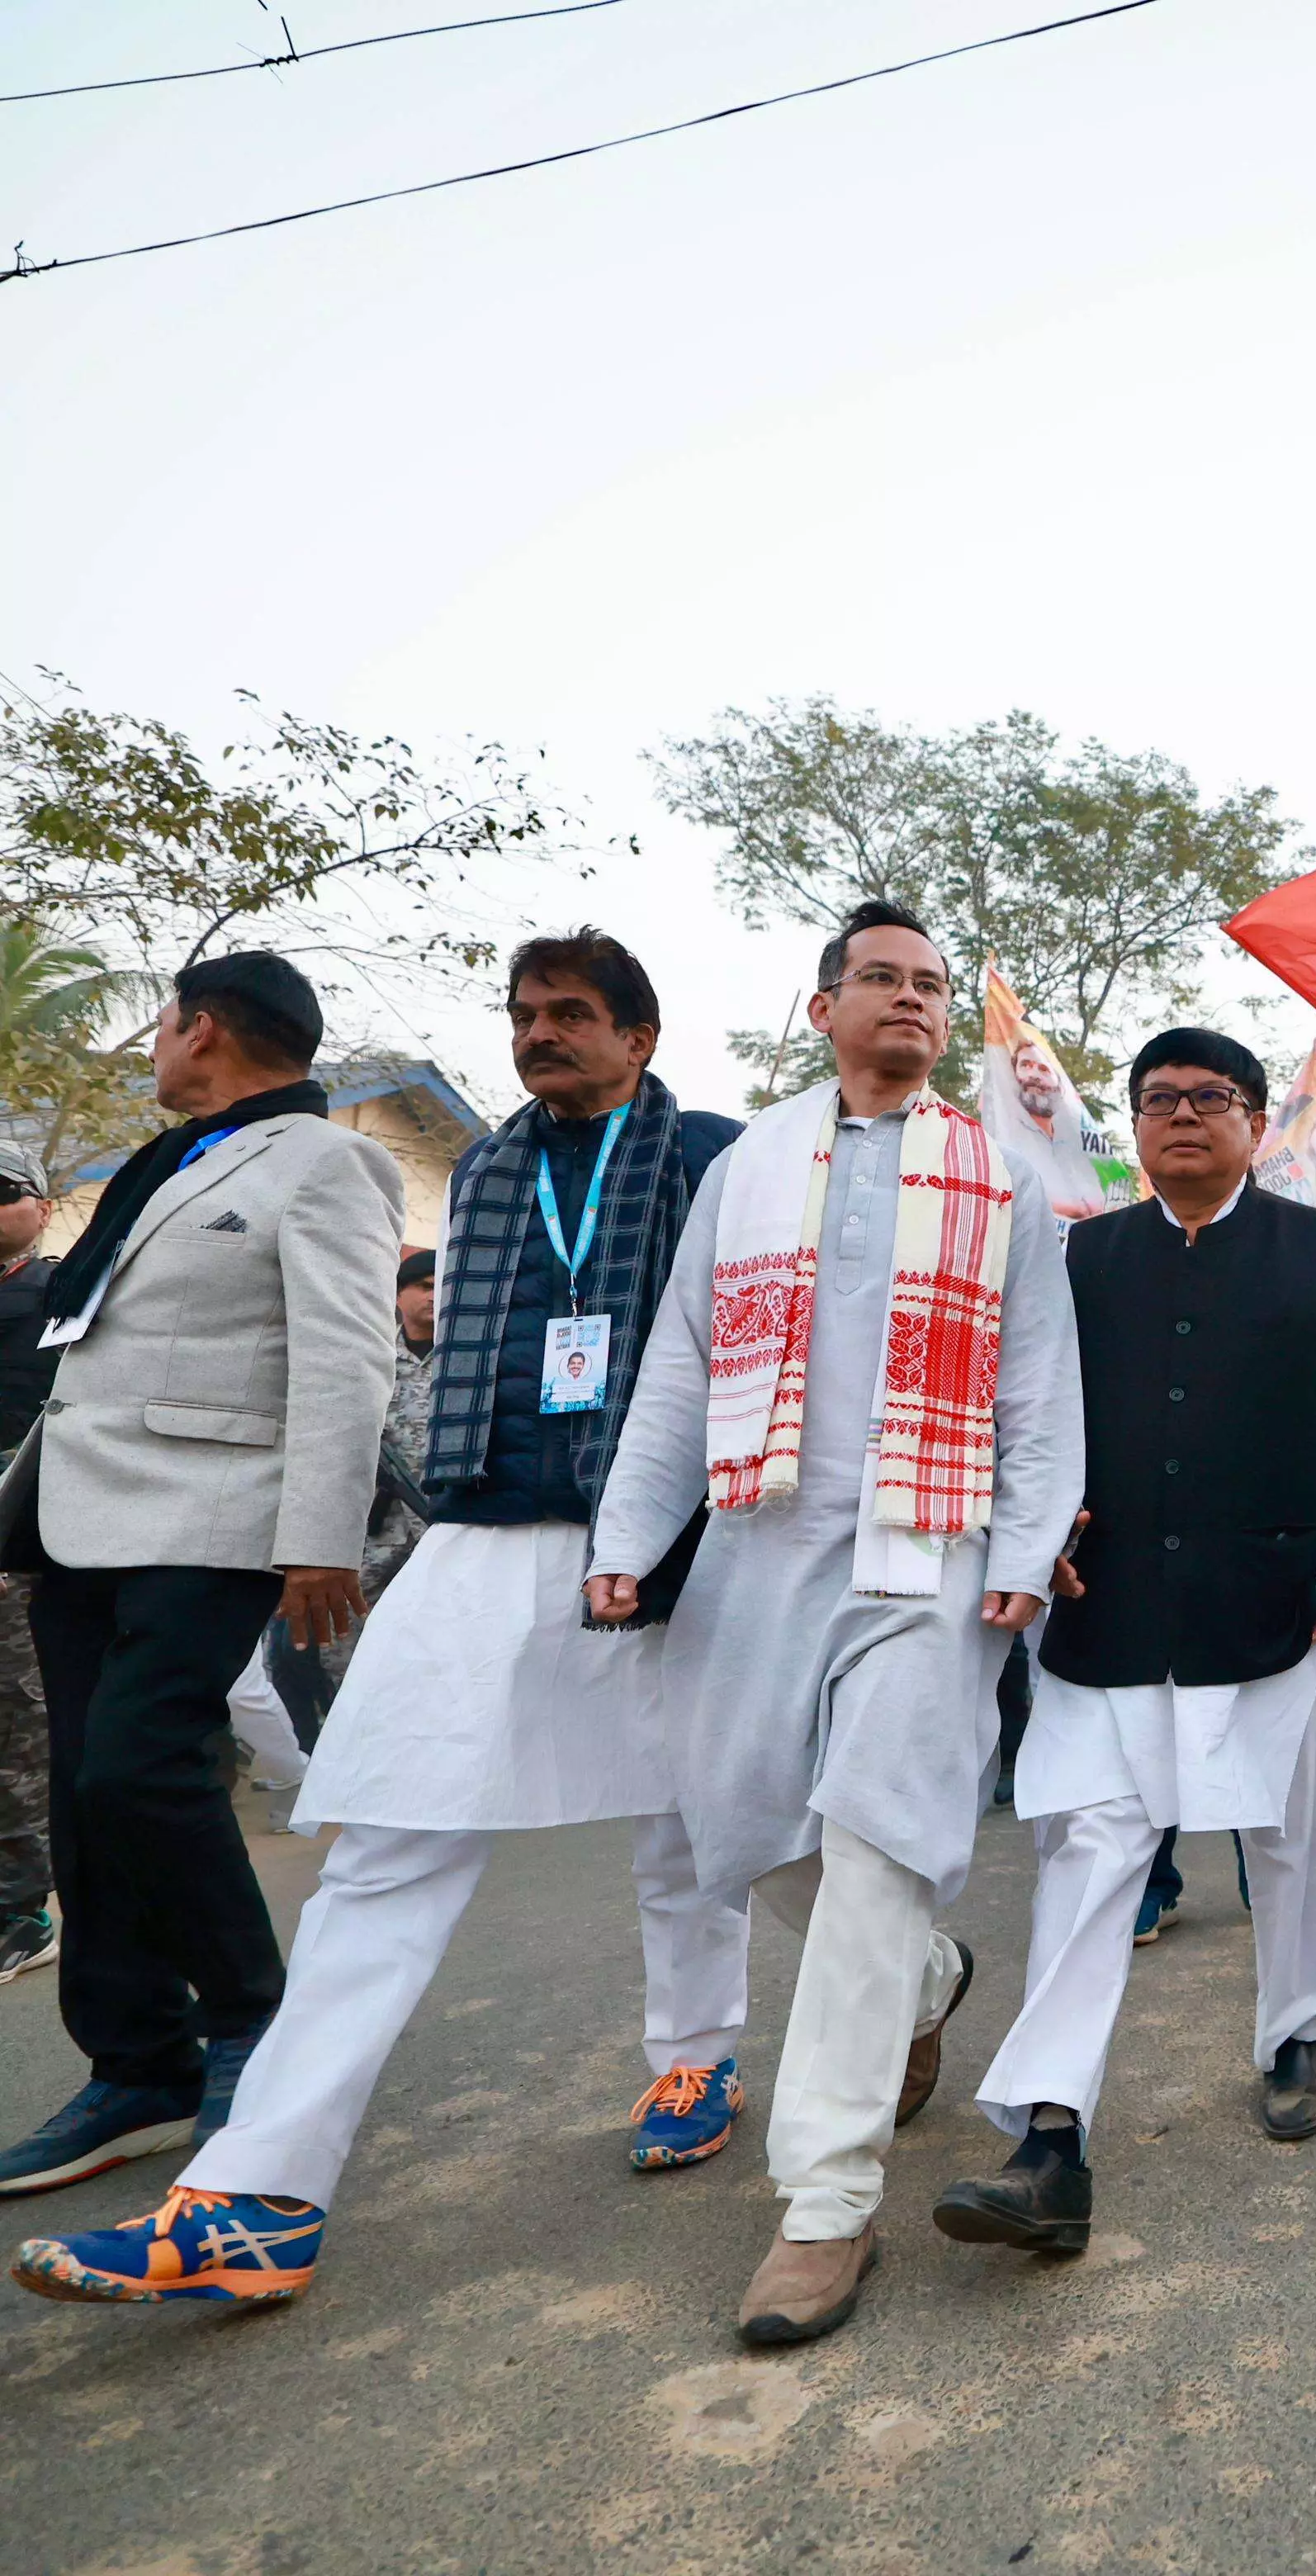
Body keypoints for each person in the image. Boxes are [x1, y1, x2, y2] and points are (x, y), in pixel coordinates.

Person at [9, 933, 760, 2307]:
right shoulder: (481, 1166)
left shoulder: (712, 1153)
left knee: (704, 1827)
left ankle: (704, 2049)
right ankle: (256, 2199)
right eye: (525, 1014)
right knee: (388, 1840)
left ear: (638, 1039)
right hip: (481, 1528)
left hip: (670, 1528)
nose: (539, 1034)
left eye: (572, 1015)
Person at [582, 899, 1083, 2347]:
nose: (913, 1000)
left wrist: (1032, 1546)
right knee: (740, 1821)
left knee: (870, 1836)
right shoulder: (747, 1169)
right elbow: (678, 1367)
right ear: (823, 1008)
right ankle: (924, 1979)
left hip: (934, 1542)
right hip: (758, 1537)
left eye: (931, 984)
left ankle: (825, 2201)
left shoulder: (999, 1180)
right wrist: (631, 1536)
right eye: (884, 978)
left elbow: (1041, 1393)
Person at [934, 1028, 1316, 2259]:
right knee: (1089, 1854)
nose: (1183, 1115)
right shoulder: (1081, 1255)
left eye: (1212, 1098)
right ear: (1132, 1127)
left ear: (1252, 1124)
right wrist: (1033, 1548)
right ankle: (1049, 2133)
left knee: (1283, 1841)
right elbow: (1024, 1417)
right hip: (1114, 1605)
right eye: (1159, 1101)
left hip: (1272, 1603)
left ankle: (1295, 2033)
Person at [0, 954, 402, 2210]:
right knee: (82, 1790)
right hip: (77, 1516)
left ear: (205, 1027)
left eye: (163, 1025)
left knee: (139, 1764)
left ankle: (251, 2027)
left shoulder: (328, 1163)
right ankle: (137, 2065)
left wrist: (321, 1538)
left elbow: (349, 1355)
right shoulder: (161, 1163)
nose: (155, 1048)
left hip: (214, 1515)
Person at [0, 1144, 63, 1985]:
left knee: (17, 1729)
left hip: (27, 1538)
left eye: (5, 1192)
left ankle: (23, 1911)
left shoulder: (62, 1293)